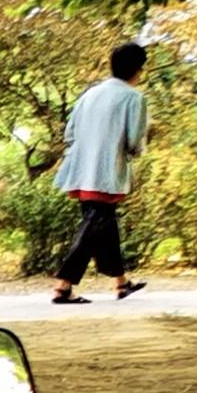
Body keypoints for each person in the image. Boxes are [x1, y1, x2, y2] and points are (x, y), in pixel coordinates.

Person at [53, 42, 151, 306]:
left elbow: (69, 133)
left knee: (102, 225)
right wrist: (132, 153)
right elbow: (134, 140)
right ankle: (63, 285)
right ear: (139, 69)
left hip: (80, 167)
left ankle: (121, 283)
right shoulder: (134, 98)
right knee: (95, 225)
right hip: (106, 169)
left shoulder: (90, 94)